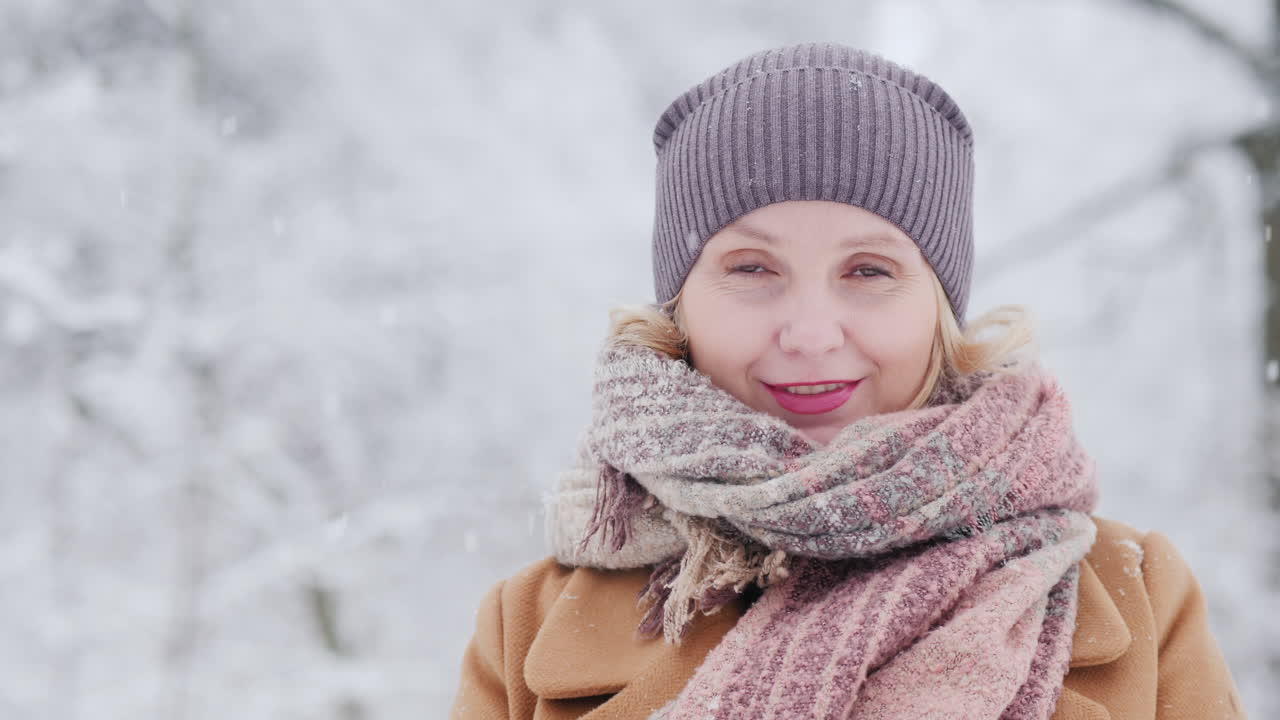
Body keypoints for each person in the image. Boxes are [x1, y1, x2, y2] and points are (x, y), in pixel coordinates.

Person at [449, 42, 1247, 719]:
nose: (810, 334)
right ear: (678, 307)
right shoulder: (528, 627)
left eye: (868, 270)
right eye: (752, 268)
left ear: (938, 307)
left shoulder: (1139, 597)